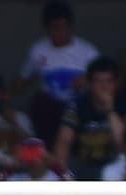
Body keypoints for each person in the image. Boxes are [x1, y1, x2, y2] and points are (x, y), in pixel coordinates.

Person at [15, 0, 99, 141]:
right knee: (40, 103)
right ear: (46, 28)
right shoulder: (38, 49)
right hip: (51, 109)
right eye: (55, 28)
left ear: (71, 26)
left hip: (80, 106)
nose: (60, 32)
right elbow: (24, 78)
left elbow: (104, 82)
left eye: (64, 27)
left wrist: (88, 81)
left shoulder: (87, 51)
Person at [54, 57, 126, 180]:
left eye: (109, 81)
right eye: (98, 81)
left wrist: (109, 110)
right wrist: (64, 175)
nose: (103, 87)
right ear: (89, 84)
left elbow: (125, 145)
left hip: (117, 168)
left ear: (116, 83)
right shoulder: (78, 105)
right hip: (82, 166)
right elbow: (63, 142)